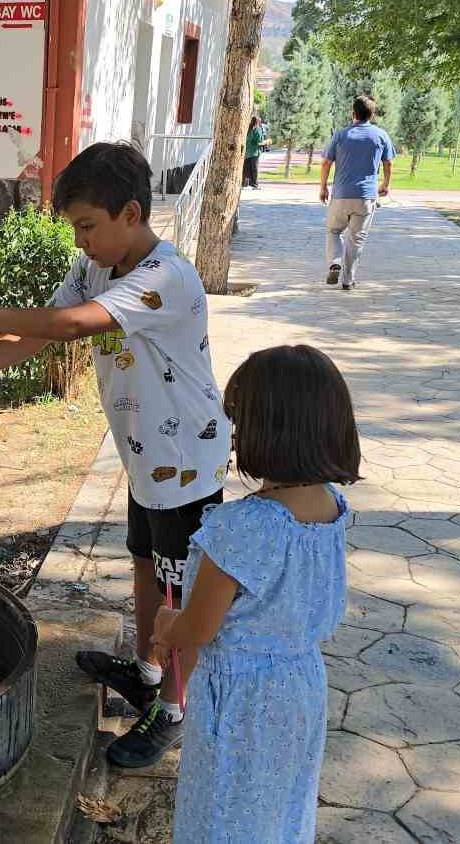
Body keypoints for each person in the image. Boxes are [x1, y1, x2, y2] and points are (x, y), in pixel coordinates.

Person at [0, 142, 230, 769]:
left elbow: (72, 326)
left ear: (131, 213)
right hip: (147, 457)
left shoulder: (166, 277)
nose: (80, 241)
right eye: (75, 227)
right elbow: (37, 330)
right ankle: (145, 669)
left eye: (88, 226)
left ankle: (172, 705)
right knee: (144, 565)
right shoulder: (94, 270)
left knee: (178, 589)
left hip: (187, 462)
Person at [151, 344, 357, 843]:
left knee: (224, 809)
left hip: (241, 697)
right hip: (301, 684)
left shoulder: (241, 527)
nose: (234, 436)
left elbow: (199, 628)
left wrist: (164, 626)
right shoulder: (332, 506)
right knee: (280, 804)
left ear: (266, 433)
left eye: (239, 424)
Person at [318, 96, 394, 291]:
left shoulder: (341, 135)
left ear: (353, 113)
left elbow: (326, 162)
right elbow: (388, 163)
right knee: (356, 238)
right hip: (366, 196)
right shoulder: (380, 135)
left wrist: (323, 186)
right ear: (372, 114)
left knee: (334, 231)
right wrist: (385, 184)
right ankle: (348, 281)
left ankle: (335, 262)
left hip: (341, 195)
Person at [242, 115, 267, 189]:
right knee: (254, 169)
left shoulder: (248, 129)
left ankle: (244, 184)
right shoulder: (257, 129)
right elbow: (259, 142)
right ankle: (254, 184)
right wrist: (267, 142)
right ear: (258, 122)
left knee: (246, 168)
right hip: (254, 152)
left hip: (247, 152)